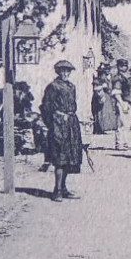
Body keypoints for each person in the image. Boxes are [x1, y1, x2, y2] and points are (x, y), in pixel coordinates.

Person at [39, 60, 84, 200]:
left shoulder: (72, 86)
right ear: (58, 72)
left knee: (70, 157)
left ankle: (64, 188)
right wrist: (54, 121)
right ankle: (57, 190)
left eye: (68, 71)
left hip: (71, 124)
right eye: (63, 71)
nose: (65, 73)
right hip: (58, 125)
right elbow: (45, 107)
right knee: (60, 156)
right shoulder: (53, 87)